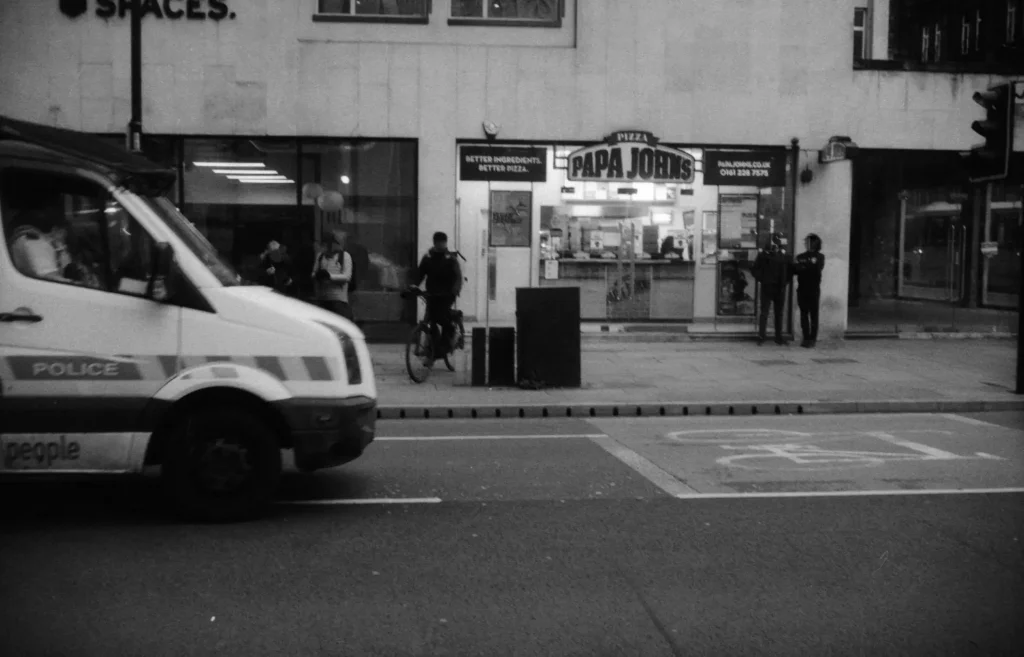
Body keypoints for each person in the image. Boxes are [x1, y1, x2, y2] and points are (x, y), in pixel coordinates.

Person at [412, 231, 463, 353]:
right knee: (430, 317)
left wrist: (454, 291)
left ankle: (450, 335)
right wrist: (414, 285)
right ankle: (433, 347)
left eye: (443, 242)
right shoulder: (428, 257)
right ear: (434, 243)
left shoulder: (450, 259)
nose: (441, 245)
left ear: (445, 243)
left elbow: (458, 277)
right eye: (438, 242)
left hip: (447, 294)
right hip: (432, 293)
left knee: (441, 316)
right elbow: (420, 273)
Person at [751, 232, 791, 345]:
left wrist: (785, 282)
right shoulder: (764, 254)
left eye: (777, 241)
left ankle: (778, 337)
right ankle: (761, 336)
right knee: (764, 313)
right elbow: (755, 269)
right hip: (767, 287)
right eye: (774, 240)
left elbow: (789, 269)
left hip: (779, 287)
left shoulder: (784, 255)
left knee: (779, 313)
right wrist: (763, 279)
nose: (776, 244)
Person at [312, 230, 354, 321]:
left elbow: (347, 276)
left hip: (339, 301)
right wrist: (318, 275)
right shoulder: (321, 256)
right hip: (323, 300)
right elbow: (314, 273)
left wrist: (329, 276)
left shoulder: (345, 256)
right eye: (336, 242)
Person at [793, 233, 826, 348]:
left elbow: (816, 270)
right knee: (803, 315)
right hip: (802, 289)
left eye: (807, 241)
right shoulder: (800, 256)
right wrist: (806, 266)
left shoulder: (820, 256)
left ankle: (812, 339)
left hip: (814, 290)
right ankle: (805, 337)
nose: (805, 244)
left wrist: (804, 266)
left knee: (814, 315)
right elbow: (795, 269)